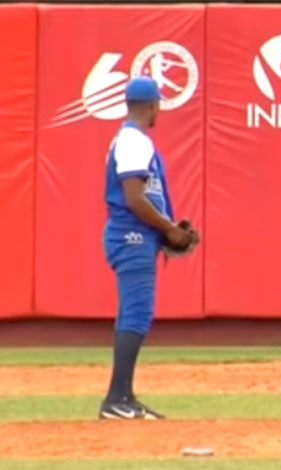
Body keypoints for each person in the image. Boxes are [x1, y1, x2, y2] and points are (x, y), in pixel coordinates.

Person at [98, 76, 197, 419]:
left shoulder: (130, 140)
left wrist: (166, 231)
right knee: (137, 314)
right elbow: (135, 199)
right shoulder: (134, 140)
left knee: (132, 313)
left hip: (135, 235)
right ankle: (117, 400)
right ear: (153, 105)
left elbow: (142, 197)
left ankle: (122, 397)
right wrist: (169, 229)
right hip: (131, 235)